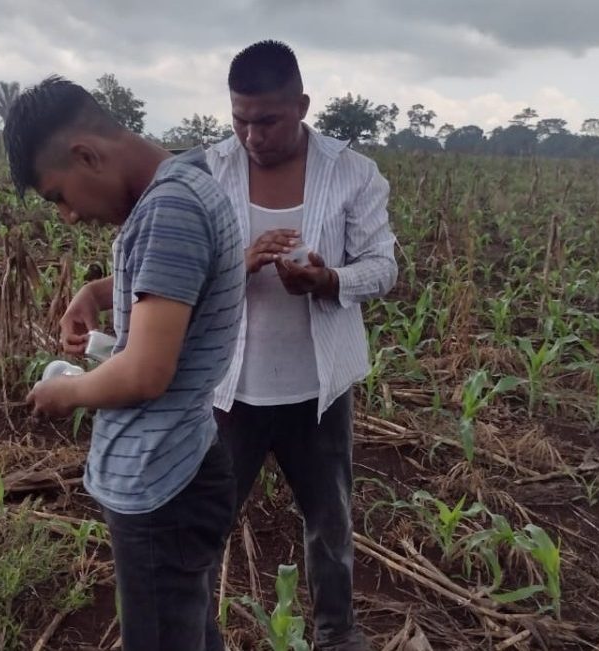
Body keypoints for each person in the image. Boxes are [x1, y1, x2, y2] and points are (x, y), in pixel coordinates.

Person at [10, 76, 246, 651]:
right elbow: (185, 276)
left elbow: (144, 371)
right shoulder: (188, 182)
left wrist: (65, 393)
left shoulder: (169, 209)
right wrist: (96, 289)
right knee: (184, 629)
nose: (66, 215)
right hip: (179, 463)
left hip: (163, 480)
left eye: (58, 195)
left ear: (86, 154)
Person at [206, 40, 399, 651]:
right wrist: (239, 263)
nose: (252, 135)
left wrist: (329, 280)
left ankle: (337, 635)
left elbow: (384, 267)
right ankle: (192, 631)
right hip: (230, 389)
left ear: (303, 105)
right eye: (240, 119)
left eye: (267, 120)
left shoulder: (353, 173)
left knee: (330, 524)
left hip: (318, 389)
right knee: (207, 522)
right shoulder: (209, 171)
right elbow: (182, 268)